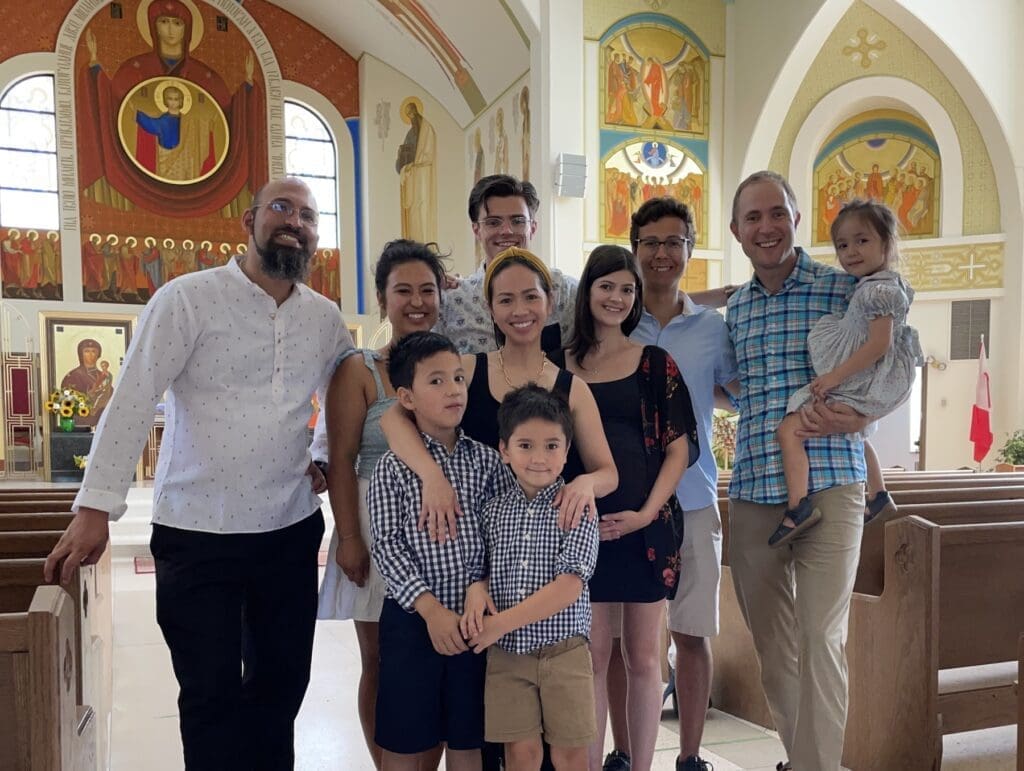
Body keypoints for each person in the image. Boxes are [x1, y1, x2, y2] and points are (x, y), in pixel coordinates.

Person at [43, 177, 352, 770]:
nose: (294, 221)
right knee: (210, 695)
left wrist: (319, 450)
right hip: (196, 530)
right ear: (249, 220)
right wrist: (94, 509)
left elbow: (341, 392)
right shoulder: (187, 299)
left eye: (308, 215)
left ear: (315, 235)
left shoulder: (324, 318)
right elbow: (134, 396)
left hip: (287, 530)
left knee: (281, 688)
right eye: (280, 208)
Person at [726, 170, 871, 771]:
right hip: (756, 490)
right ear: (736, 231)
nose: (767, 227)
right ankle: (805, 759)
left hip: (833, 482)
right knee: (774, 649)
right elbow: (731, 386)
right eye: (753, 218)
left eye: (777, 213)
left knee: (822, 639)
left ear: (796, 219)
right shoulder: (733, 309)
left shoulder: (843, 290)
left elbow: (896, 362)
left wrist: (856, 418)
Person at [553, 243, 700, 771]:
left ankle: (642, 765)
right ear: (587, 290)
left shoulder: (654, 363)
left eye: (627, 289)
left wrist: (644, 513)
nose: (616, 297)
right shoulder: (558, 364)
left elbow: (680, 447)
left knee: (642, 657)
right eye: (606, 286)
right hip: (577, 529)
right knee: (590, 657)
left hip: (645, 528)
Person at [317, 240, 448, 769]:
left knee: (438, 658)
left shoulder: (456, 365)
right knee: (383, 660)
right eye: (403, 291)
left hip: (443, 534)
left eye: (427, 290)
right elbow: (342, 458)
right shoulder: (360, 370)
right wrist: (349, 538)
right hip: (375, 529)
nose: (416, 301)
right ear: (382, 299)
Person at [627, 197, 739, 771]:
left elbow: (740, 393)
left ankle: (691, 756)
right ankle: (624, 754)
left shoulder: (710, 330)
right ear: (635, 249)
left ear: (691, 251)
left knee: (691, 634)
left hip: (693, 499)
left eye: (674, 242)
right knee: (630, 644)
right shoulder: (615, 319)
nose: (662, 253)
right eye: (651, 242)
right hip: (625, 505)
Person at [368, 331, 514, 771]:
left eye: (457, 378)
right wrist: (430, 609)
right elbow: (387, 546)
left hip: (475, 621)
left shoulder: (488, 462)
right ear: (406, 397)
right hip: (413, 622)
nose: (453, 389)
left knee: (468, 739)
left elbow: (501, 536)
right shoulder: (392, 470)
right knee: (404, 740)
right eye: (436, 381)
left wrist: (481, 584)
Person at [462, 384, 600, 771]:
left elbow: (570, 586)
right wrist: (477, 587)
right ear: (504, 450)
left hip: (565, 652)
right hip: (507, 657)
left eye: (552, 446)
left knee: (571, 754)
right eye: (525, 446)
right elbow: (479, 568)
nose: (539, 458)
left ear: (567, 450)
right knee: (520, 754)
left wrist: (498, 624)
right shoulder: (491, 512)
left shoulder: (578, 509)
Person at [772, 199, 922, 547]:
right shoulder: (874, 285)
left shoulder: (878, 291)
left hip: (861, 375)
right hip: (866, 374)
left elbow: (878, 345)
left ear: (887, 243)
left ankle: (798, 507)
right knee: (857, 432)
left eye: (862, 240)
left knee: (789, 429)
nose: (851, 251)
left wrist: (834, 377)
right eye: (842, 244)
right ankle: (879, 492)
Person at [435, 175, 577, 356]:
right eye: (493, 222)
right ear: (476, 230)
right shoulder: (454, 301)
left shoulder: (565, 291)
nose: (506, 231)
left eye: (517, 221)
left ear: (532, 227)